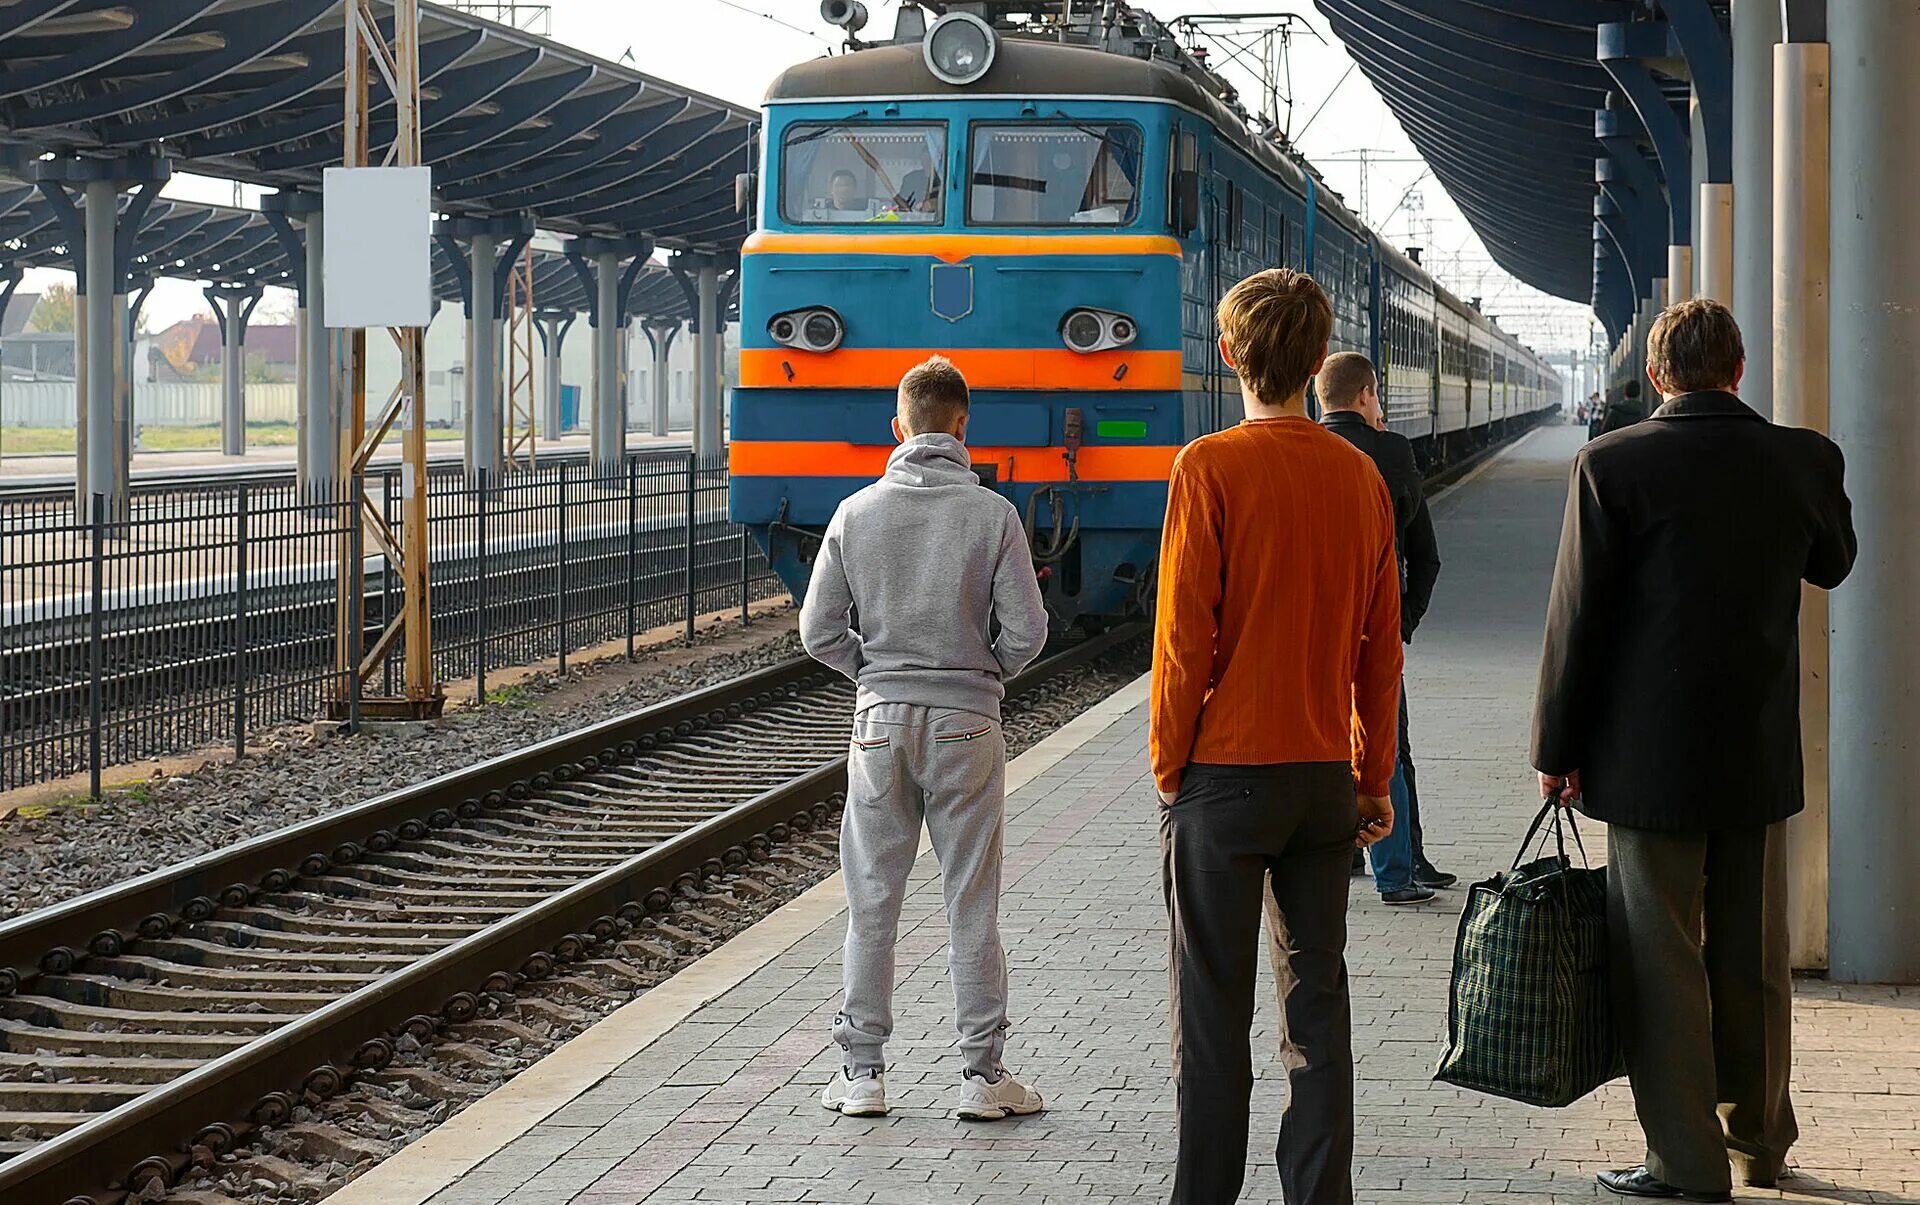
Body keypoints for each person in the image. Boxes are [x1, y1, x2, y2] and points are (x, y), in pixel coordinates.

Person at [1532, 298, 1855, 1202]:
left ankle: (1684, 1159)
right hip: (1755, 751)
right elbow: (1834, 562)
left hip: (1645, 762)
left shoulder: (1611, 463)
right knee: (1753, 957)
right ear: (1740, 369)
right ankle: (1758, 1140)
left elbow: (1576, 622)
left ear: (1660, 377)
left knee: (1660, 955)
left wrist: (1555, 745)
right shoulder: (1803, 457)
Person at [1153, 269, 1402, 1204]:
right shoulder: (1360, 475)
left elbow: (1183, 641)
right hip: (1322, 782)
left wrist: (1169, 766)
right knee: (1318, 1010)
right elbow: (1382, 654)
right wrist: (1372, 778)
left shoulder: (1208, 467)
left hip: (1221, 778)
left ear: (1228, 355)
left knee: (1212, 1016)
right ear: (1314, 361)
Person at [799, 355, 1050, 1123]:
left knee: (872, 898)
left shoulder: (855, 512)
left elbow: (816, 632)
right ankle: (982, 1077)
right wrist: (984, 673)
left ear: (898, 425)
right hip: (970, 722)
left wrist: (873, 673)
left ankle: (862, 1072)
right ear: (964, 426)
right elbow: (1030, 630)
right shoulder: (993, 514)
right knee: (971, 899)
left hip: (879, 724)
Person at [1315, 352, 1453, 905]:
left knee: (1330, 743)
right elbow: (1424, 554)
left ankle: (1346, 852)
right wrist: (1404, 622)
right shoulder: (1392, 452)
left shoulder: (1305, 449)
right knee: (1384, 744)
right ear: (1368, 394)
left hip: (1313, 630)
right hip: (1375, 628)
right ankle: (1396, 871)